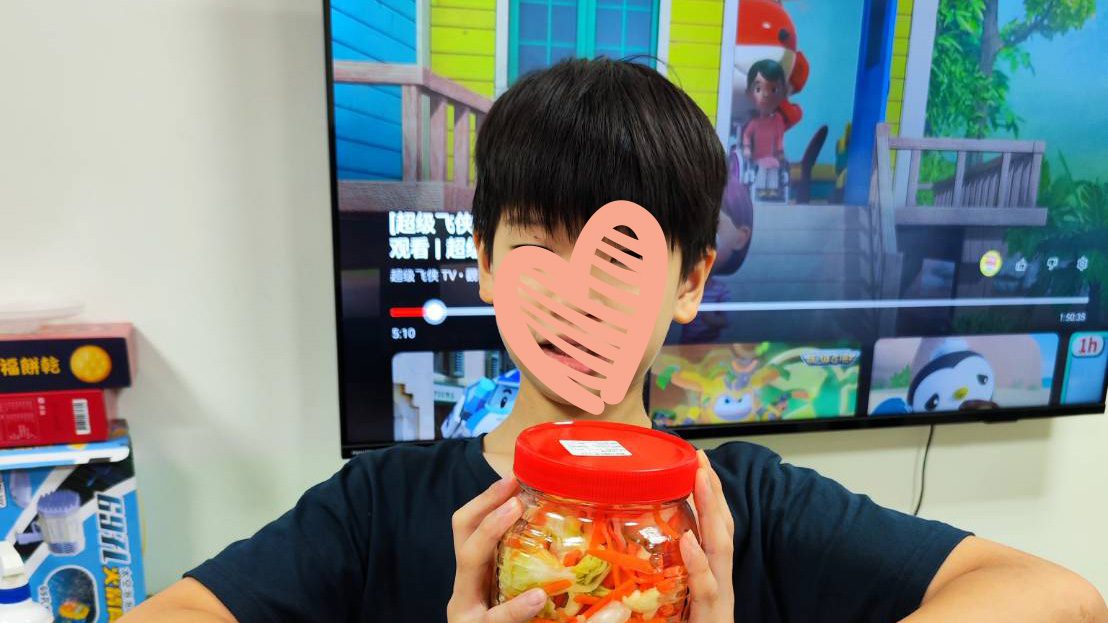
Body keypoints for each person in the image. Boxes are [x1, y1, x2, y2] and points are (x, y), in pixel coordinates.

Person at [120, 58, 1106, 623]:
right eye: (540, 247)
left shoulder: (745, 501)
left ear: (688, 281)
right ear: (486, 266)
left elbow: (1056, 595)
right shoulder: (378, 508)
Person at [742, 59, 789, 200]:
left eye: (773, 89)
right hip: (759, 157)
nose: (766, 95)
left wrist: (780, 152)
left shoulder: (777, 121)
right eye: (758, 89)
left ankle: (772, 189)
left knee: (774, 168)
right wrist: (746, 148)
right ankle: (761, 188)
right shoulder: (755, 123)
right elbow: (746, 135)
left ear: (783, 93)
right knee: (762, 169)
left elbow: (780, 137)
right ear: (750, 94)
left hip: (772, 156)